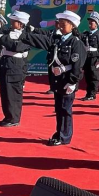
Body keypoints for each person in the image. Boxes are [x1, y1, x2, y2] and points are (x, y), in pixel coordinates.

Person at [21, 10, 87, 146]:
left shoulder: (76, 42)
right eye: (59, 24)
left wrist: (72, 82)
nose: (60, 27)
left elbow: (77, 65)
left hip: (67, 80)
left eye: (64, 24)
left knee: (65, 109)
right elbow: (41, 40)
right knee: (59, 108)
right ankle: (59, 133)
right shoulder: (57, 40)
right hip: (58, 80)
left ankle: (64, 137)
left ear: (72, 26)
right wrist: (23, 35)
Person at [0, 11, 32, 127]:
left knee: (13, 93)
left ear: (21, 24)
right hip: (6, 63)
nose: (11, 23)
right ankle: (8, 117)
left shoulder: (26, 36)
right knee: (5, 92)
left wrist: (3, 39)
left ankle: (14, 118)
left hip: (15, 65)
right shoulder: (9, 33)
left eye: (14, 21)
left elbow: (16, 47)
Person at [79, 12, 99, 101]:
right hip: (87, 58)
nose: (90, 23)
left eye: (92, 22)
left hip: (94, 58)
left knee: (94, 77)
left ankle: (92, 94)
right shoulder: (86, 34)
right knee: (87, 76)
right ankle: (88, 94)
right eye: (89, 22)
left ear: (96, 23)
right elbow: (79, 36)